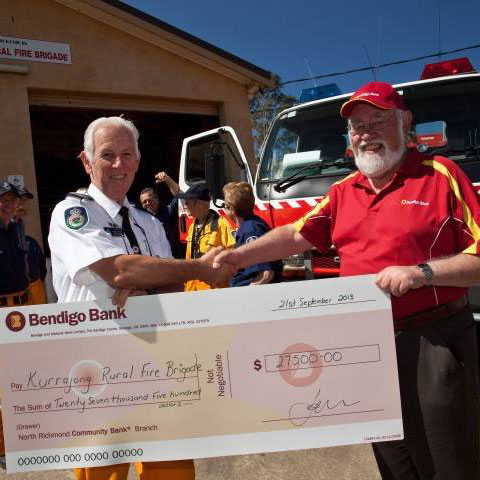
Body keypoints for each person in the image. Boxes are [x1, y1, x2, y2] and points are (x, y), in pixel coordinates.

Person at [213, 82, 480, 479]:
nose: (366, 132)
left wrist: (422, 273)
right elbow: (294, 235)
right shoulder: (342, 192)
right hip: (363, 345)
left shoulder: (440, 176)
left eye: (378, 120)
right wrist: (236, 256)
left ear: (406, 123)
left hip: (433, 341)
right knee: (392, 456)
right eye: (357, 125)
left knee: (448, 460)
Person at [48, 116, 228, 480]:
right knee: (101, 473)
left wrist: (146, 281)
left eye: (127, 154)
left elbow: (168, 286)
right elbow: (120, 272)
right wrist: (175, 271)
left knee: (171, 470)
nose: (119, 164)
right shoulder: (72, 214)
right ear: (86, 161)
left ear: (138, 159)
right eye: (107, 154)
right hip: (97, 369)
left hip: (158, 363)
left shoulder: (148, 223)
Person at [178, 182, 235, 291]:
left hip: (213, 291)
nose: (184, 205)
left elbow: (232, 257)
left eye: (187, 202)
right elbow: (189, 259)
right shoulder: (192, 227)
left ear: (200, 204)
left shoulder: (221, 225)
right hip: (192, 290)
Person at [222, 181, 282, 286]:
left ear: (231, 208)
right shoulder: (249, 226)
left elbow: (266, 274)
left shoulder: (251, 230)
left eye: (224, 205)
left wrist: (249, 295)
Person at [14, 185, 48, 304]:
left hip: (33, 288)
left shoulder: (22, 229)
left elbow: (42, 269)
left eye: (25, 200)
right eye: (20, 199)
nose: (23, 204)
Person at [140, 171, 184, 258]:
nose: (147, 203)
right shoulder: (141, 219)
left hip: (175, 256)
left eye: (150, 200)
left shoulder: (168, 210)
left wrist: (167, 179)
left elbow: (180, 196)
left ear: (157, 200)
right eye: (144, 202)